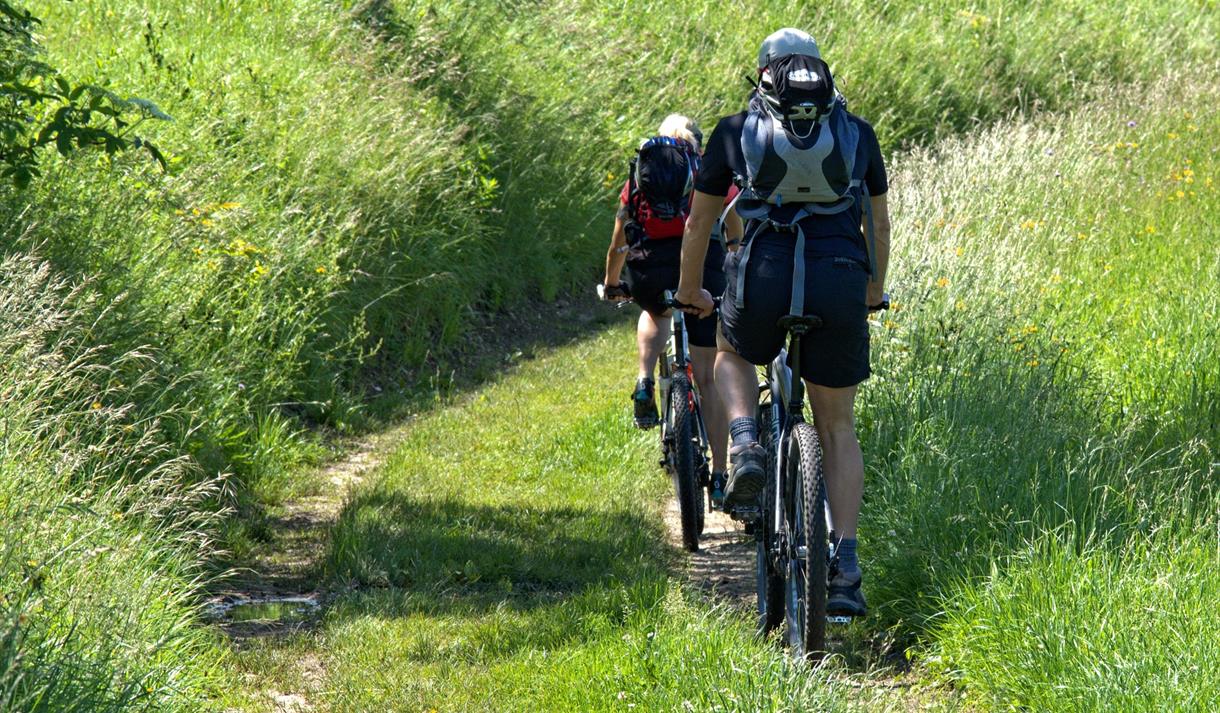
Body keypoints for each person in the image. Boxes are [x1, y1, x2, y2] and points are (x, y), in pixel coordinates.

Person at [675, 29, 891, 617]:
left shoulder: (733, 132)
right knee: (838, 427)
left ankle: (744, 443)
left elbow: (699, 226)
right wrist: (872, 290)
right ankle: (844, 567)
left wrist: (692, 290)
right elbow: (878, 221)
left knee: (731, 350)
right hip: (840, 277)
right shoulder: (857, 132)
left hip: (765, 272)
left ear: (764, 75)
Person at [599, 114, 744, 500]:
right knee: (709, 380)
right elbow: (735, 230)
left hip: (650, 274)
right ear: (696, 143)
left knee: (654, 311)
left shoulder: (640, 181)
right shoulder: (710, 173)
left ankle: (645, 379)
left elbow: (618, 244)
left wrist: (614, 284)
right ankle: (718, 472)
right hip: (703, 279)